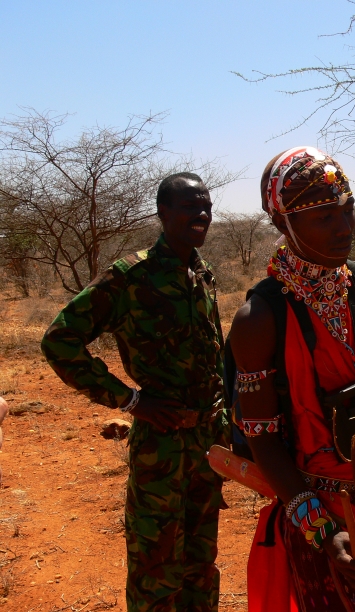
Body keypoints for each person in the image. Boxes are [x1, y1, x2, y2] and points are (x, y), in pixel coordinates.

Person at [229, 146, 355, 611]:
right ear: (282, 222)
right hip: (314, 506)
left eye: (347, 210)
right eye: (324, 217)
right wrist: (324, 533)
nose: (344, 227)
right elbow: (263, 439)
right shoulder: (258, 319)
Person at [41, 172, 229, 612]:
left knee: (200, 565)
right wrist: (128, 400)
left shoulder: (202, 273)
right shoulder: (131, 276)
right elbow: (59, 340)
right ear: (163, 212)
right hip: (161, 446)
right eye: (190, 206)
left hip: (207, 445)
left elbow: (213, 355)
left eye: (206, 206)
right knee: (155, 569)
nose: (201, 214)